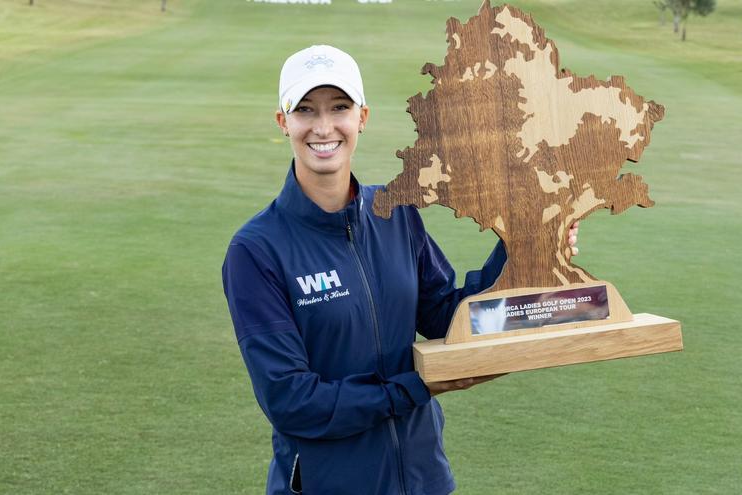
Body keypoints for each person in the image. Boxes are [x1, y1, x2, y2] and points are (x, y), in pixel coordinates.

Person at [222, 45, 579, 495]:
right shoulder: (256, 251)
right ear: (284, 122)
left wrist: (521, 249)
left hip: (423, 479)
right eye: (306, 110)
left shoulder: (396, 213)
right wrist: (414, 387)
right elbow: (291, 401)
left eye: (340, 107)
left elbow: (445, 315)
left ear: (362, 118)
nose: (324, 126)